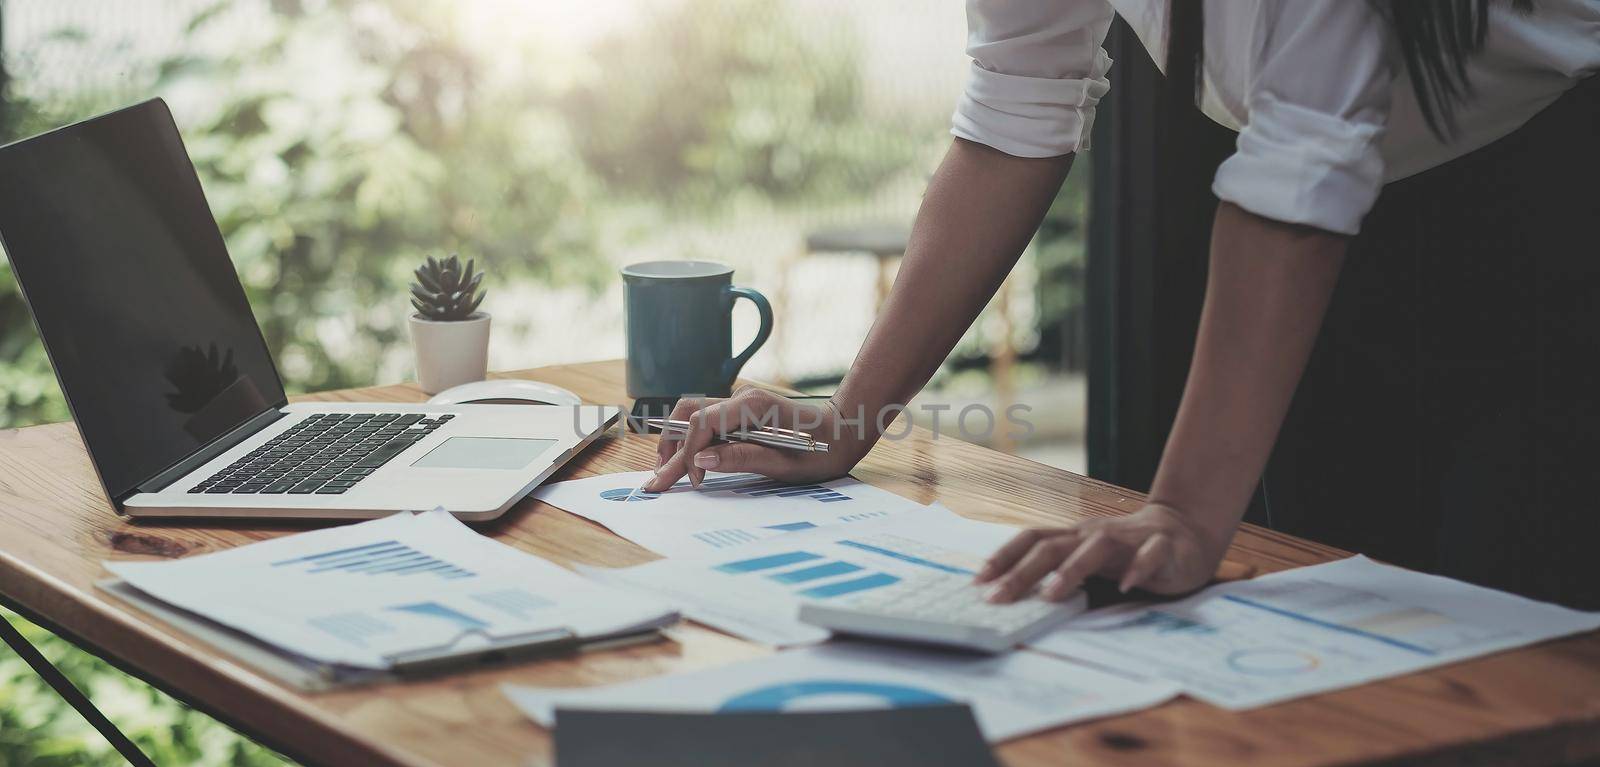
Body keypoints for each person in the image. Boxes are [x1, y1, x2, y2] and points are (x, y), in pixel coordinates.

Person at [644, 0, 1600, 610]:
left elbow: (1307, 156)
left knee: (1518, 665)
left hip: (1553, 197)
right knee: (1328, 653)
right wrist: (842, 423)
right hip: (1335, 225)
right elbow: (1017, 106)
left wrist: (1182, 512)